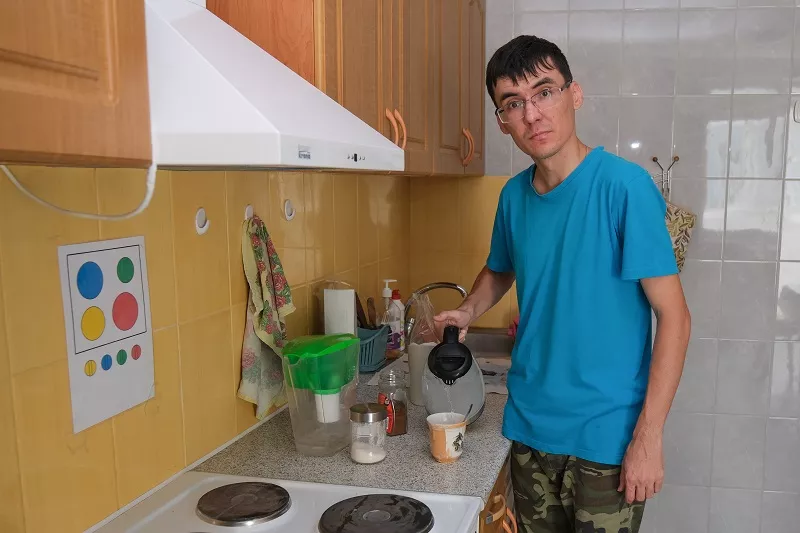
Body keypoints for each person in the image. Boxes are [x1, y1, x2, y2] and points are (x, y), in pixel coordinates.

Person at [434, 35, 691, 533]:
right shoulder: (513, 197)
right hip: (530, 430)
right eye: (514, 103)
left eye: (544, 92)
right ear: (502, 120)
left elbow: (675, 318)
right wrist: (467, 311)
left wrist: (648, 437)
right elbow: (500, 269)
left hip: (606, 441)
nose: (532, 115)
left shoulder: (625, 188)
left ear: (574, 94)